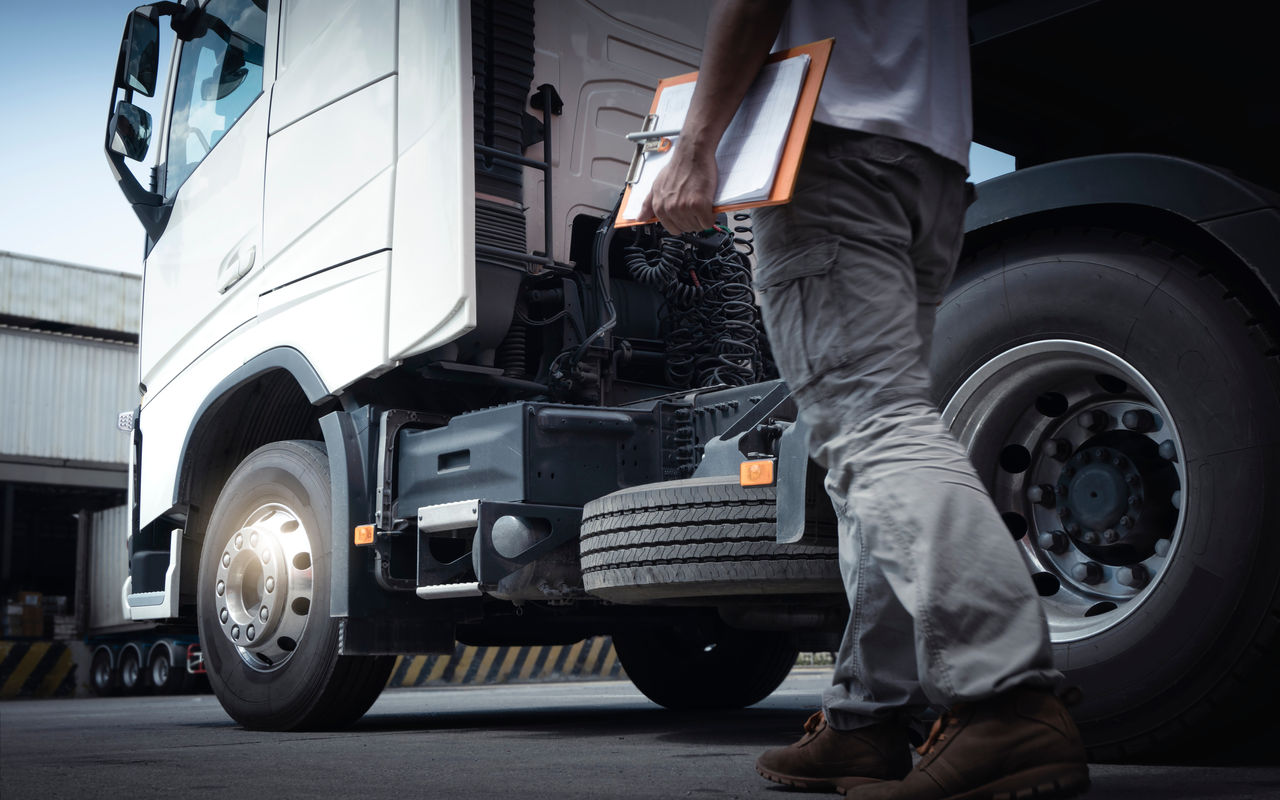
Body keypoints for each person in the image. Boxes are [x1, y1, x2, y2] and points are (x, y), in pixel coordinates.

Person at [639, 2, 1091, 798]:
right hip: (933, 167)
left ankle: (1006, 703)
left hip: (831, 148)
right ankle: (866, 718)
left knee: (873, 434)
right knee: (873, 450)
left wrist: (695, 145)